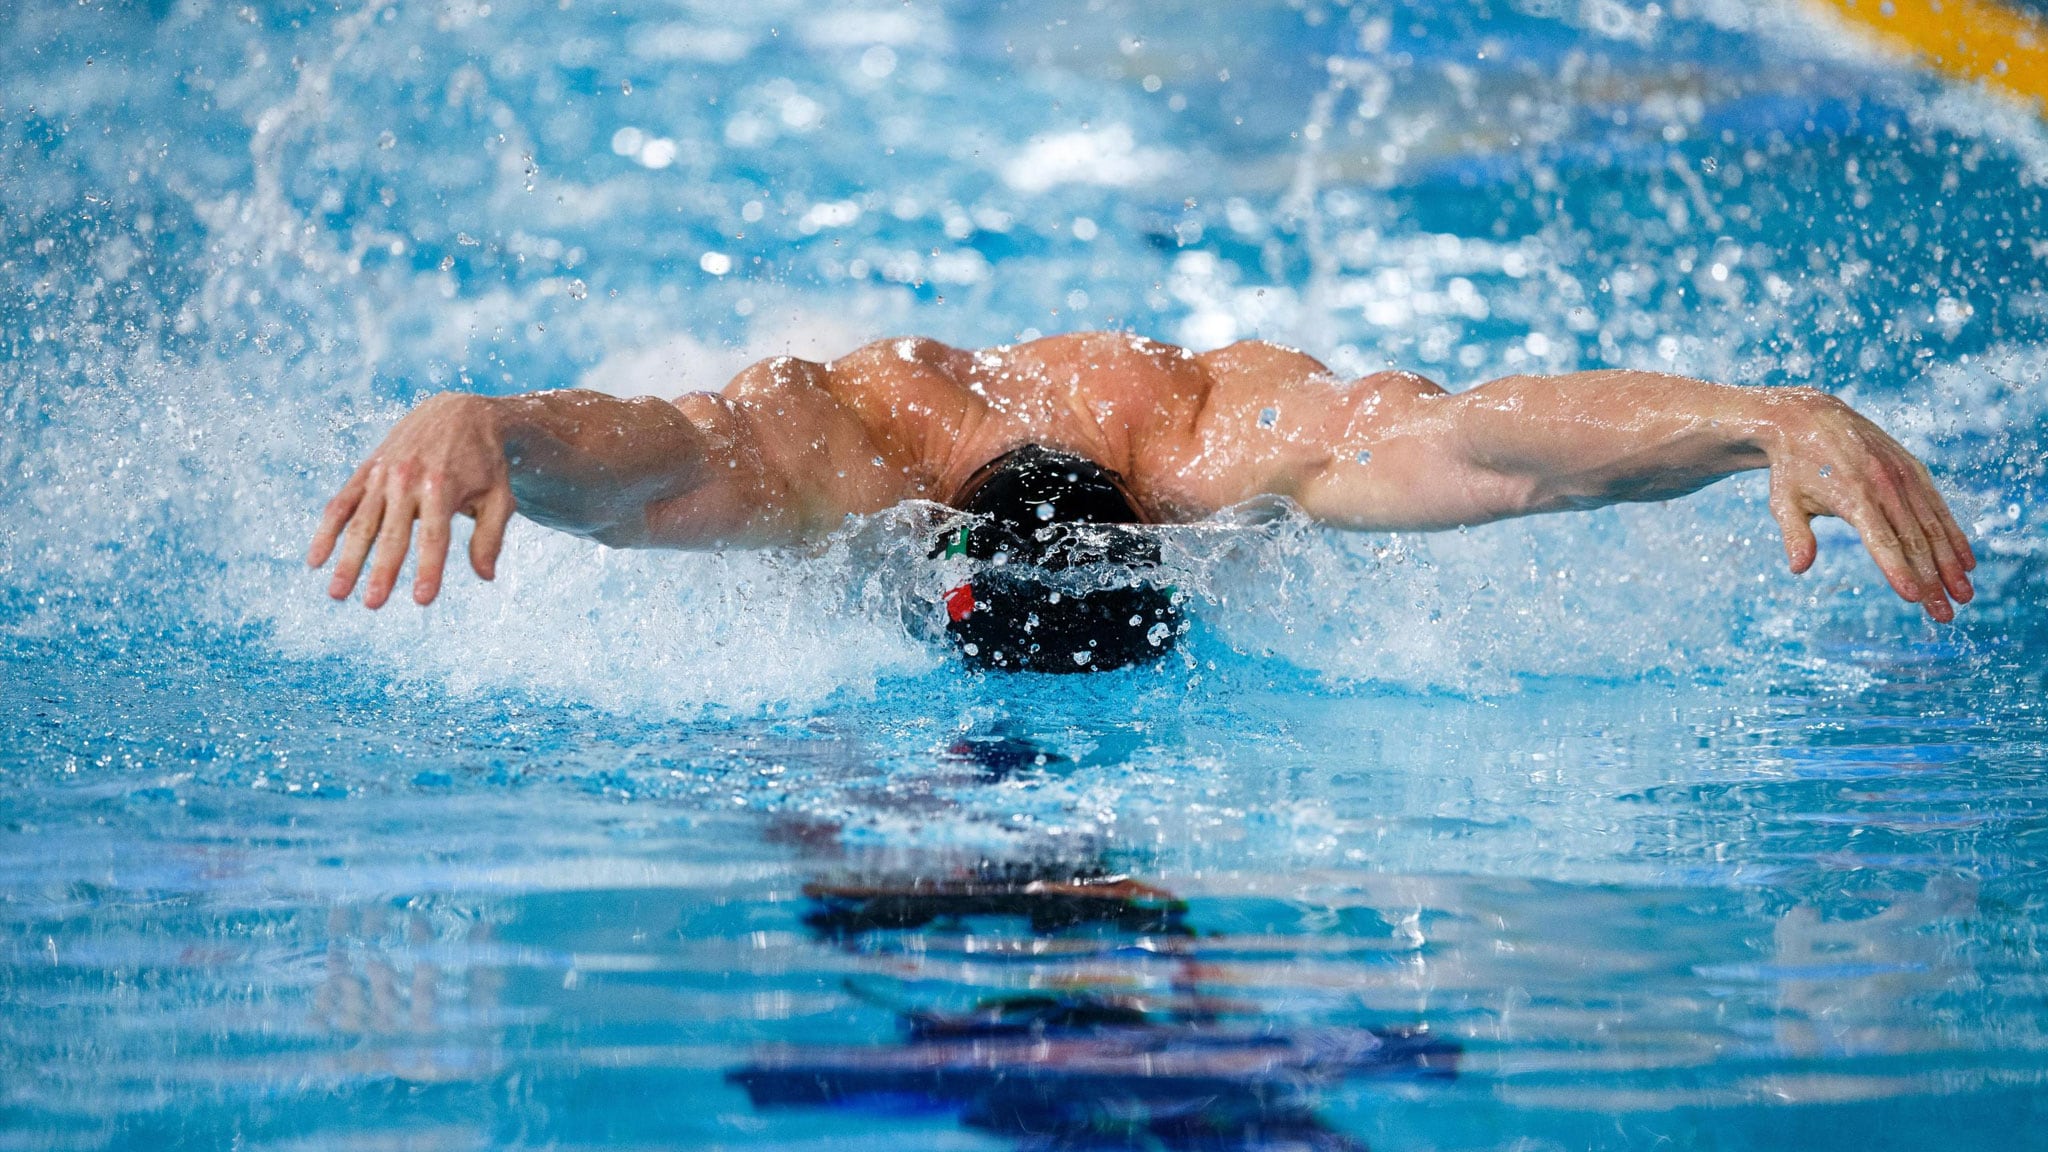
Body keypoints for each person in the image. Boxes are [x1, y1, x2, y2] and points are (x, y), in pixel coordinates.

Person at [307, 332, 1975, 671]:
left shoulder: (1218, 443)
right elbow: (661, 451)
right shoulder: (839, 444)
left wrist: (1760, 421)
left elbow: (1486, 441)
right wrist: (488, 424)